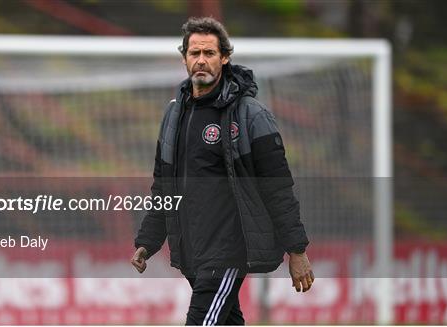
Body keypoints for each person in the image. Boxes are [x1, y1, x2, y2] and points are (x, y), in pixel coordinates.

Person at [132, 17, 313, 325]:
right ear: (185, 58)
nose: (201, 60)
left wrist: (296, 249)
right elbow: (164, 186)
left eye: (209, 53)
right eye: (194, 53)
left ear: (225, 57)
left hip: (230, 249)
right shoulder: (174, 114)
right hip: (192, 250)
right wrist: (148, 241)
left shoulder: (251, 115)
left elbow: (277, 187)